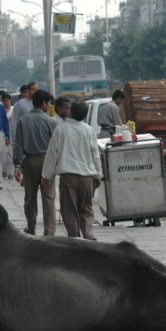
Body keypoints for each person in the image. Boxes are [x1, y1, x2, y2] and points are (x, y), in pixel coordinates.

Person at [42, 100, 102, 240]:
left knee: (69, 210)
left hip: (68, 178)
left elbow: (52, 154)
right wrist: (98, 175)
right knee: (86, 209)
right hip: (87, 177)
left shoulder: (61, 129)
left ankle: (74, 238)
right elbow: (95, 155)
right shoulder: (89, 130)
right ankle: (88, 233)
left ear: (70, 112)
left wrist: (46, 175)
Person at [13, 90, 58, 236]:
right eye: (49, 103)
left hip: (29, 161)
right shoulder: (52, 121)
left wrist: (17, 167)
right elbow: (56, 145)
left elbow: (18, 145)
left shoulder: (23, 120)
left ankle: (31, 228)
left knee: (30, 197)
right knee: (49, 198)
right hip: (47, 161)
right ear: (44, 103)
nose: (50, 106)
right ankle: (49, 232)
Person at [10, 82, 38, 147]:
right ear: (28, 90)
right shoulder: (20, 103)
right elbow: (15, 120)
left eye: (36, 89)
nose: (35, 91)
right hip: (24, 134)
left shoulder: (39, 103)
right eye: (33, 89)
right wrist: (15, 137)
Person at [1, 92, 15, 179]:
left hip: (12, 133)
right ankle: (3, 171)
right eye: (4, 100)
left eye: (8, 100)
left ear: (10, 101)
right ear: (2, 101)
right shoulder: (0, 109)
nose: (6, 102)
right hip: (2, 133)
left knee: (11, 154)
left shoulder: (14, 109)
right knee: (3, 154)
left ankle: (11, 173)